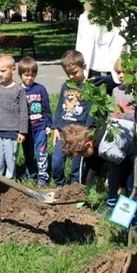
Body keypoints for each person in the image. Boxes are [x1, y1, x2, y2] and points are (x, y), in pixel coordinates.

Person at [60, 120, 137, 234]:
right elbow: (110, 161)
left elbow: (124, 165)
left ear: (88, 144)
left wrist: (122, 186)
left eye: (82, 154)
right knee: (113, 171)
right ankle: (112, 205)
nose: (84, 157)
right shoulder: (95, 133)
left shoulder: (106, 148)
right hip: (129, 145)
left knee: (134, 181)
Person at [51, 50, 93, 188]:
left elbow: (92, 112)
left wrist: (87, 132)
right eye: (68, 73)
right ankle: (60, 186)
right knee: (56, 161)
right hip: (64, 131)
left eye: (74, 72)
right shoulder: (66, 86)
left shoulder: (90, 87)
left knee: (77, 164)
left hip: (79, 132)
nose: (71, 76)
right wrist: (56, 128)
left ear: (84, 67)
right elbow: (59, 107)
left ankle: (77, 188)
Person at [0, 55, 27, 180]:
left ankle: (10, 183)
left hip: (12, 132)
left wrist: (22, 131)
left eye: (3, 71)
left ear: (13, 70)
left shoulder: (19, 90)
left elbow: (23, 111)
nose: (0, 74)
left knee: (11, 160)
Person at [18, 57, 52, 186]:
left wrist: (48, 125)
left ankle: (43, 176)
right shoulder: (18, 90)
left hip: (40, 127)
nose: (29, 78)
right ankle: (31, 175)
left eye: (32, 75)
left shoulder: (40, 89)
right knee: (28, 153)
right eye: (26, 75)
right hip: (25, 129)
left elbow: (46, 108)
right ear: (21, 74)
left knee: (41, 152)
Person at [75, 2, 126, 79]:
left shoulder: (124, 18)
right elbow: (80, 47)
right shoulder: (84, 18)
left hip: (117, 74)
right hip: (91, 73)